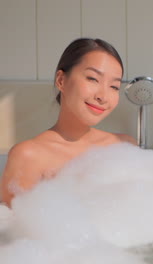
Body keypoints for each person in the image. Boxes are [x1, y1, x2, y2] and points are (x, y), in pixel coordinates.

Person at [1, 38, 137, 207]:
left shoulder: (124, 146)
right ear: (61, 81)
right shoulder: (29, 156)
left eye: (114, 87)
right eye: (93, 79)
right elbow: (11, 227)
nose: (103, 96)